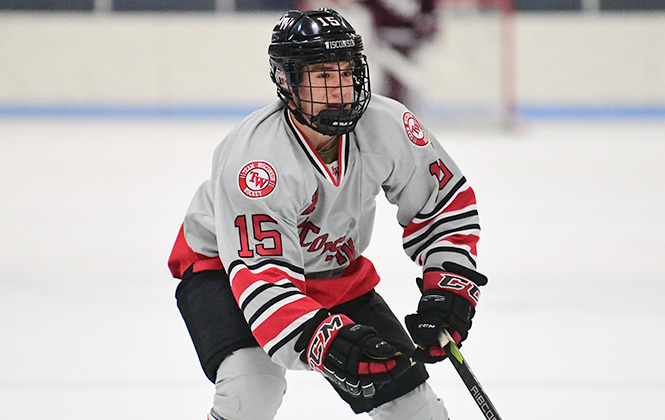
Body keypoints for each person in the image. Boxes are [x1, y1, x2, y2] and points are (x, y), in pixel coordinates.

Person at [168, 8, 486, 420]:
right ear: (287, 81)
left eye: (346, 71)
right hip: (227, 271)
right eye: (322, 76)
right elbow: (261, 276)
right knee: (253, 389)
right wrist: (326, 341)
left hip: (333, 270)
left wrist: (448, 288)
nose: (339, 89)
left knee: (414, 410)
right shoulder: (255, 163)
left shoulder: (387, 124)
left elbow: (443, 205)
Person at [357, 0, 439, 111]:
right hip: (382, 45)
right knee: (388, 84)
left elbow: (430, 16)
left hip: (411, 44)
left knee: (409, 84)